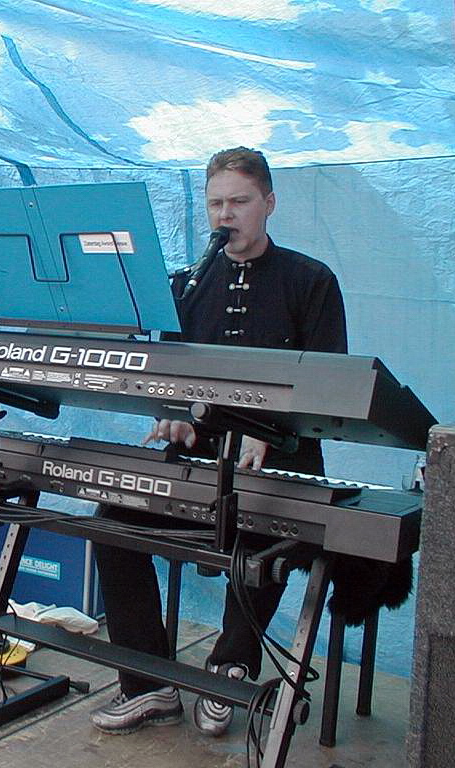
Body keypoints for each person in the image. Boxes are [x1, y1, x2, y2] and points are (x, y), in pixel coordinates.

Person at [91, 147, 347, 736]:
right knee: (111, 520)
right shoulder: (188, 284)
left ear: (269, 204)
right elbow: (170, 377)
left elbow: (331, 387)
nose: (225, 214)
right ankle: (149, 684)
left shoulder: (311, 281)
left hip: (280, 464)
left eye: (239, 201)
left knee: (265, 533)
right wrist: (178, 417)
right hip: (199, 464)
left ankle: (230, 667)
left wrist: (273, 437)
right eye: (216, 203)